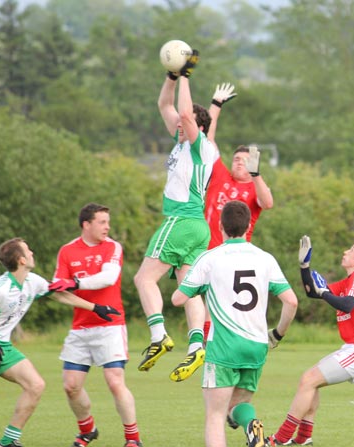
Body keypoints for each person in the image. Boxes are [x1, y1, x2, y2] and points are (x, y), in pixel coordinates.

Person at [0, 237, 112, 447]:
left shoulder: (33, 281)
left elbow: (60, 296)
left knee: (35, 385)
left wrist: (95, 308)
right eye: (28, 251)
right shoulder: (0, 289)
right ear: (21, 260)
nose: (32, 252)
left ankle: (8, 441)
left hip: (1, 344)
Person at [171, 201, 298, 447]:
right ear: (249, 225)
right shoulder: (265, 258)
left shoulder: (210, 258)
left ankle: (251, 427)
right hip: (257, 345)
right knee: (238, 406)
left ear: (220, 226)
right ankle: (252, 426)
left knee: (215, 416)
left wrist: (197, 284)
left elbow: (178, 299)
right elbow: (291, 302)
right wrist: (278, 334)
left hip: (224, 348)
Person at [134, 49, 217, 382]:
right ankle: (196, 345)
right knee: (189, 289)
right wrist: (171, 76)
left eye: (186, 125)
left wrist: (185, 75)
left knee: (144, 278)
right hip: (198, 227)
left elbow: (183, 112)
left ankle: (158, 336)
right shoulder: (185, 143)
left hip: (180, 221)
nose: (179, 126)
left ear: (197, 127)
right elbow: (165, 107)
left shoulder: (199, 145)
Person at [267, 236, 354, 446]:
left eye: (351, 250)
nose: (345, 252)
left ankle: (280, 438)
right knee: (311, 383)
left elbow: (347, 304)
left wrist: (324, 293)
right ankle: (303, 438)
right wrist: (305, 267)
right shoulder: (349, 282)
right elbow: (313, 293)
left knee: (308, 380)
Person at [48, 203, 142, 447]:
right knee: (71, 386)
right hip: (80, 328)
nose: (107, 227)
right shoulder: (67, 251)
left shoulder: (112, 246)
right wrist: (70, 288)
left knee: (114, 381)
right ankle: (87, 430)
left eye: (108, 222)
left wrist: (74, 282)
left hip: (111, 325)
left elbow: (107, 278)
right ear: (86, 224)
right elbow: (58, 292)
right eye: (102, 222)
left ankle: (133, 439)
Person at [203, 84, 274, 340]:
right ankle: (204, 344)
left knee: (224, 304)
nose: (238, 162)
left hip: (235, 254)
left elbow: (268, 203)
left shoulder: (254, 187)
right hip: (207, 249)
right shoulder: (221, 175)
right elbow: (208, 140)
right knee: (207, 302)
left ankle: (214, 343)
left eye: (244, 160)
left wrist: (257, 175)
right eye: (236, 159)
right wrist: (216, 105)